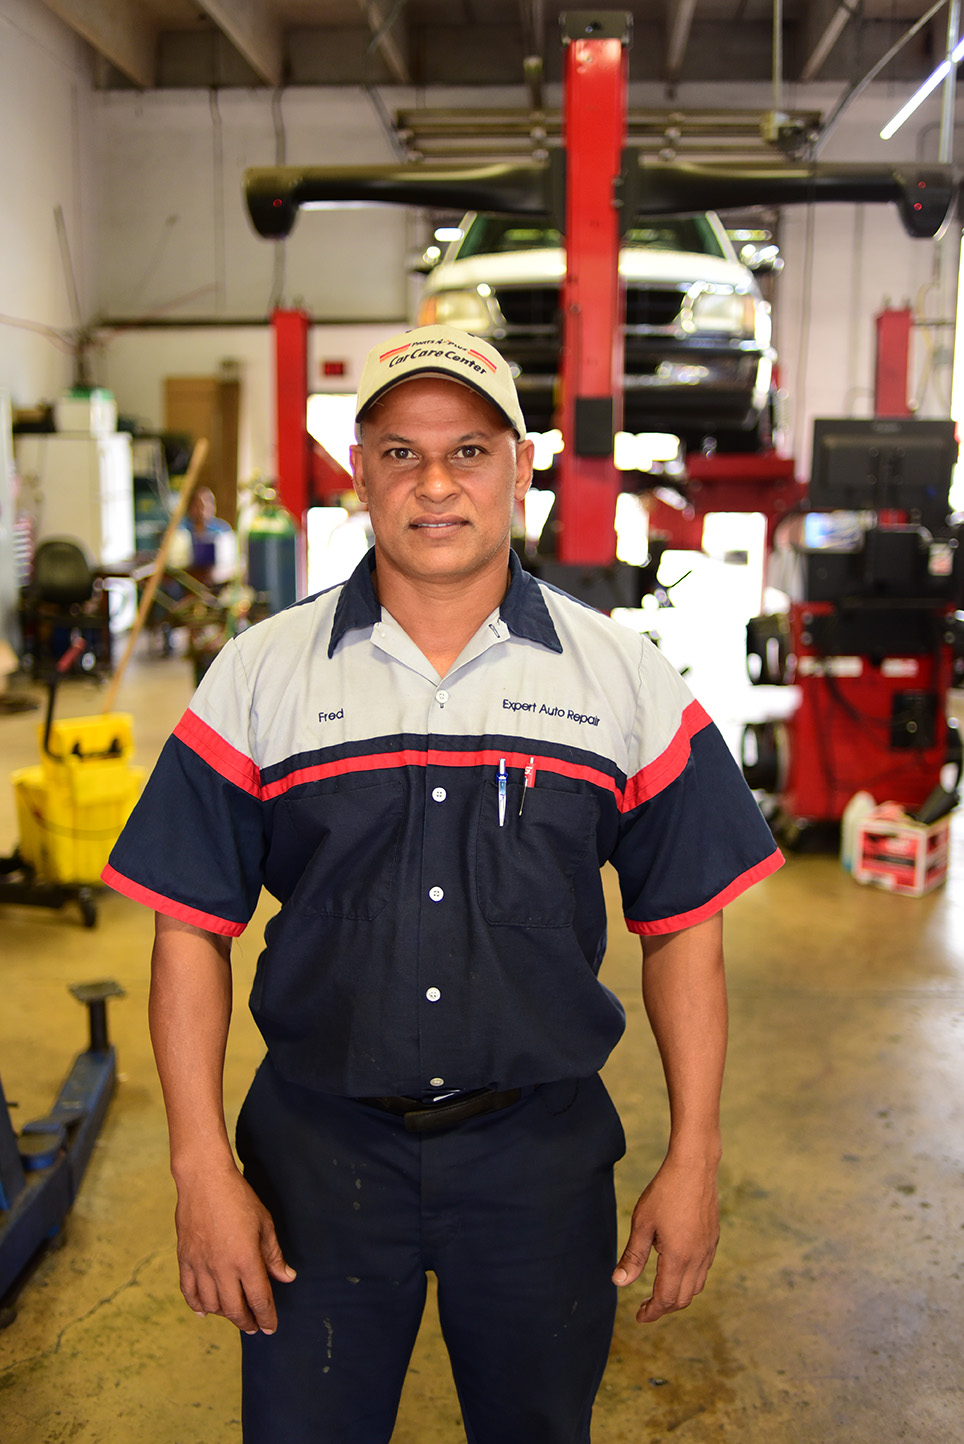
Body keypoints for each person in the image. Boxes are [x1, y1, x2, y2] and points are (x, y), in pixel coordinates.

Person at [103, 324, 782, 1444]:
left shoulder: (622, 678)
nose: (434, 485)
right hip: (315, 1158)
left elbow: (682, 928)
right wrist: (199, 1168)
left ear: (521, 468)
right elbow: (190, 928)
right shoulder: (257, 676)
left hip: (540, 1163)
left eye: (468, 451)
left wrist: (695, 1157)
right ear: (357, 470)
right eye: (400, 452)